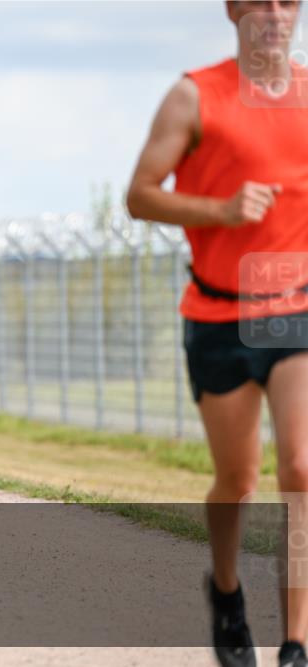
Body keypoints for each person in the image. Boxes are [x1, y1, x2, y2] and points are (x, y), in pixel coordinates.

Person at [126, 2, 308, 666]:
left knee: (303, 466)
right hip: (217, 312)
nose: (274, 14)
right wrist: (221, 210)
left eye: (287, 1)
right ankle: (226, 593)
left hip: (295, 307)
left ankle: (297, 641)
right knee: (238, 479)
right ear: (234, 10)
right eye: (259, 1)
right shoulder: (194, 95)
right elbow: (140, 195)